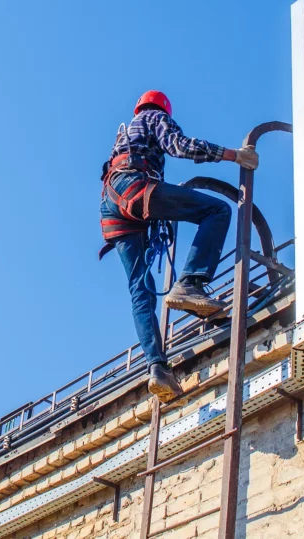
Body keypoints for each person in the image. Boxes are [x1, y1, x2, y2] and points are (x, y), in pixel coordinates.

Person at [99, 91, 258, 402]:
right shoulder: (153, 118)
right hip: (133, 188)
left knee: (139, 290)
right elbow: (179, 146)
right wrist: (234, 155)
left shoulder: (125, 133)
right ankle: (190, 284)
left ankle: (158, 369)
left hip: (112, 206)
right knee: (217, 211)